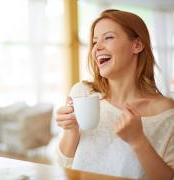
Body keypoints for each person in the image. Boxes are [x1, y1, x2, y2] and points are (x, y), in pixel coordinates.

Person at [56, 9, 174, 179]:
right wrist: (71, 130)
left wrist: (138, 141)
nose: (97, 47)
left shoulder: (166, 113)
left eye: (108, 37)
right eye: (94, 41)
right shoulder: (83, 93)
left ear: (137, 45)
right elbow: (63, 167)